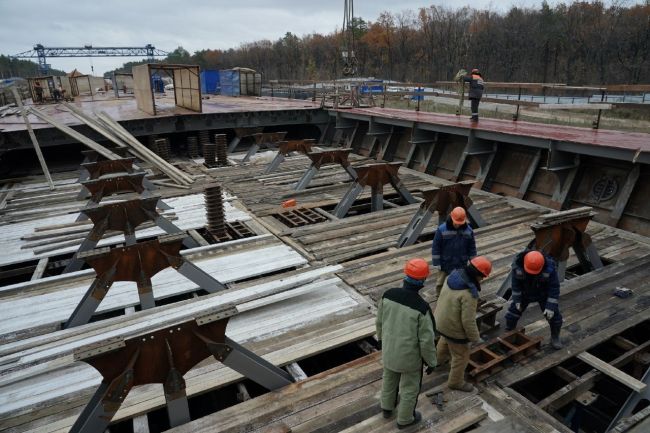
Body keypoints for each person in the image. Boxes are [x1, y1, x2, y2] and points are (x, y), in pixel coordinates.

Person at [376, 258, 437, 429]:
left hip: (389, 352)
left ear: (405, 275)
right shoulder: (421, 308)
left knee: (389, 379)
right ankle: (405, 419)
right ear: (423, 281)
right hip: (410, 359)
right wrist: (431, 362)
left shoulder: (387, 295)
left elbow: (379, 322)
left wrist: (381, 340)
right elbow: (426, 341)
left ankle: (387, 408)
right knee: (410, 388)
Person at [434, 256, 492, 392]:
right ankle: (456, 382)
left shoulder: (452, 276)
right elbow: (468, 321)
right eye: (482, 276)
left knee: (444, 340)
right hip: (454, 330)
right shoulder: (469, 294)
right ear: (477, 275)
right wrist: (475, 338)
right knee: (461, 356)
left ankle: (437, 362)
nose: (482, 279)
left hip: (440, 321)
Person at [504, 250, 563, 349]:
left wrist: (550, 307)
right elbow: (515, 285)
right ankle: (509, 331)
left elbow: (554, 288)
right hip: (525, 293)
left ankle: (555, 337)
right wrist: (517, 300)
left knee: (555, 317)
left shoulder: (550, 269)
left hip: (543, 294)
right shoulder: (517, 267)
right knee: (512, 313)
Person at [431, 206, 477, 296]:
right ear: (451, 217)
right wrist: (437, 263)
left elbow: (472, 248)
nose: (458, 225)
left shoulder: (469, 231)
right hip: (445, 263)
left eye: (460, 223)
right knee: (440, 282)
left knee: (460, 281)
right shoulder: (441, 229)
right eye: (456, 223)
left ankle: (454, 296)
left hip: (461, 263)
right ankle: (439, 296)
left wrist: (473, 262)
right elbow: (436, 247)